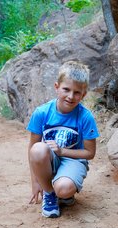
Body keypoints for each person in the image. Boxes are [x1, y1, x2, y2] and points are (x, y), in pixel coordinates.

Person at [26, 61, 99, 218]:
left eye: (77, 92)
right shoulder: (42, 112)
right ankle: (49, 193)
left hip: (73, 160)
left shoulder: (85, 117)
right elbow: (32, 149)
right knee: (38, 149)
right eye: (66, 89)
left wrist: (62, 151)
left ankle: (64, 192)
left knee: (64, 189)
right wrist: (35, 182)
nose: (71, 96)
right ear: (56, 87)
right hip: (49, 158)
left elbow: (90, 153)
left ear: (84, 94)